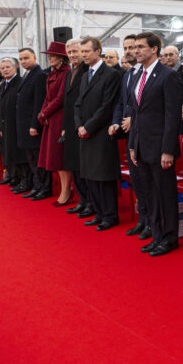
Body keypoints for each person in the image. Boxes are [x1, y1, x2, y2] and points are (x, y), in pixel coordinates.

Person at [128, 32, 183, 257]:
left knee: (165, 194)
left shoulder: (168, 76)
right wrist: (133, 145)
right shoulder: (135, 76)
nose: (136, 51)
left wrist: (168, 150)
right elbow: (135, 113)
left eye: (141, 47)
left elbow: (172, 116)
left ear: (154, 49)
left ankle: (170, 238)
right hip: (141, 145)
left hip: (161, 147)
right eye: (134, 47)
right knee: (149, 194)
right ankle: (157, 235)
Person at [74, 37, 122, 230]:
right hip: (85, 133)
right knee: (89, 175)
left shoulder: (110, 74)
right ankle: (99, 212)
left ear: (98, 50)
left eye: (87, 51)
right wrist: (79, 125)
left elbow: (107, 106)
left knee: (104, 176)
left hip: (101, 133)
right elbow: (78, 103)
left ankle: (110, 215)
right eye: (81, 51)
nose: (83, 55)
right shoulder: (86, 75)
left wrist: (89, 127)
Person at [109, 34, 151, 238]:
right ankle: (143, 219)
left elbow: (148, 107)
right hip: (128, 135)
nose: (128, 51)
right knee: (136, 179)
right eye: (125, 48)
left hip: (144, 134)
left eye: (132, 47)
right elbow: (120, 102)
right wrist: (117, 122)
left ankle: (152, 222)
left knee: (146, 180)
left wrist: (133, 120)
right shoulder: (127, 75)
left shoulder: (146, 74)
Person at [37, 41, 71, 202]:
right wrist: (43, 112)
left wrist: (45, 112)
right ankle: (63, 190)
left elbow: (61, 98)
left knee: (60, 156)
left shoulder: (66, 73)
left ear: (61, 58)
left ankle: (66, 191)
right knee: (54, 157)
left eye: (53, 56)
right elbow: (48, 97)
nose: (49, 58)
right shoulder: (52, 73)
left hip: (60, 117)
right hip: (51, 117)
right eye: (49, 56)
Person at [16, 48, 51, 200]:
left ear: (35, 57)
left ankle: (44, 187)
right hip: (24, 125)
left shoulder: (40, 75)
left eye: (26, 58)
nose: (23, 61)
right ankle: (37, 186)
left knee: (38, 159)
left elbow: (39, 103)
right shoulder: (27, 75)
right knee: (31, 158)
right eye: (21, 59)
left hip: (33, 126)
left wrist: (35, 125)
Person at [60, 39, 90, 209]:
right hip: (70, 126)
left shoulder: (87, 71)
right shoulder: (69, 73)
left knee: (83, 166)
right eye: (69, 52)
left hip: (83, 125)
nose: (72, 55)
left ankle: (89, 202)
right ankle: (83, 200)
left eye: (75, 51)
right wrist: (64, 127)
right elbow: (67, 102)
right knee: (73, 165)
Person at [0, 58, 29, 193]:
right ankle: (16, 177)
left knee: (20, 154)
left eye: (8, 67)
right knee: (10, 152)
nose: (5, 70)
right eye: (3, 68)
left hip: (18, 124)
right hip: (7, 124)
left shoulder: (20, 82)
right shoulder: (4, 83)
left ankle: (25, 181)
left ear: (15, 68)